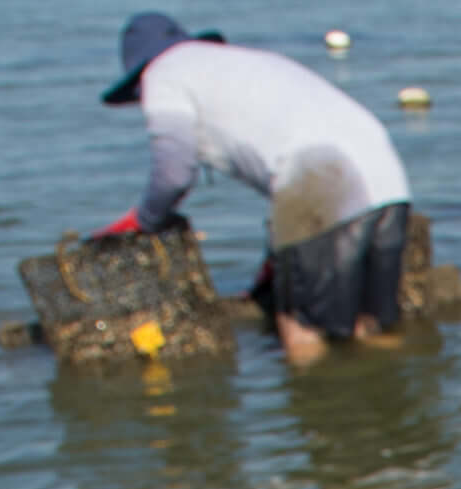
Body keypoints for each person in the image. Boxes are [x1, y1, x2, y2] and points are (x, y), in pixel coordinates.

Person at [95, 13, 412, 366]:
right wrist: (278, 253)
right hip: (388, 180)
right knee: (372, 328)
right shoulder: (248, 62)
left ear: (138, 75)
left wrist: (145, 219)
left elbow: (174, 171)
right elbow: (285, 155)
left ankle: (321, 414)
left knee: (303, 331)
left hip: (323, 177)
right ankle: (392, 410)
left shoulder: (163, 74)